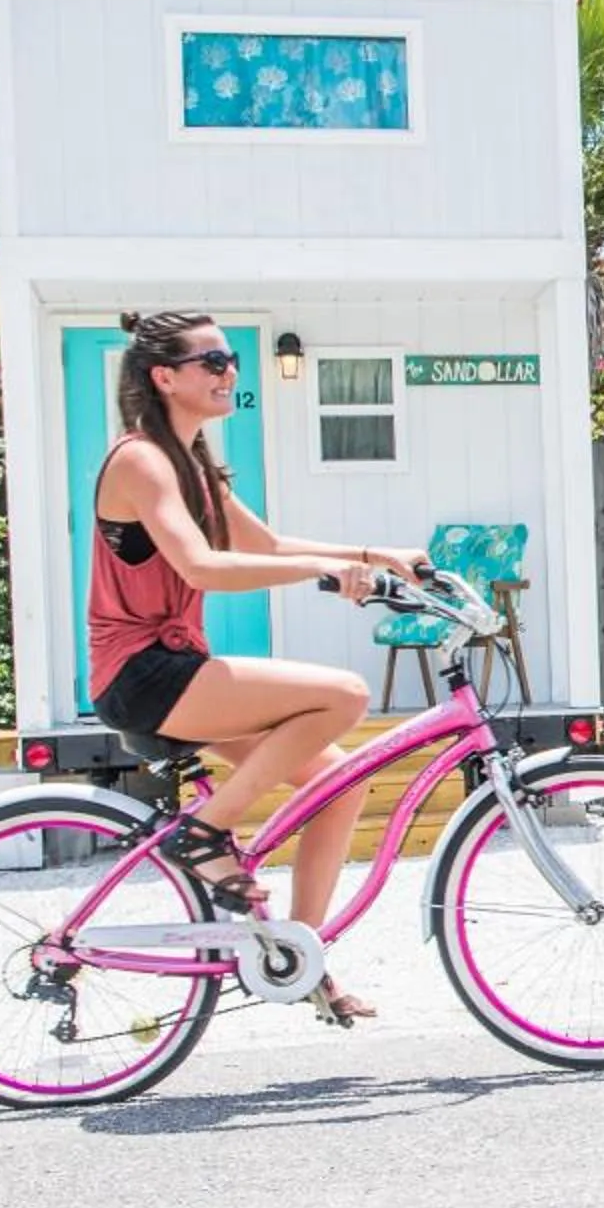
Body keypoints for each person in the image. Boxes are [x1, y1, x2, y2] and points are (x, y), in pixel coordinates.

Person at [88, 311, 427, 1027]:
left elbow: (267, 544)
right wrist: (322, 573)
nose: (229, 371)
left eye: (232, 359)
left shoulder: (190, 464)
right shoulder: (141, 460)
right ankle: (205, 833)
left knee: (337, 785)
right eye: (213, 361)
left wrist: (375, 556)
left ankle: (302, 960)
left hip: (179, 669)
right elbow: (203, 567)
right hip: (142, 673)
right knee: (345, 695)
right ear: (164, 377)